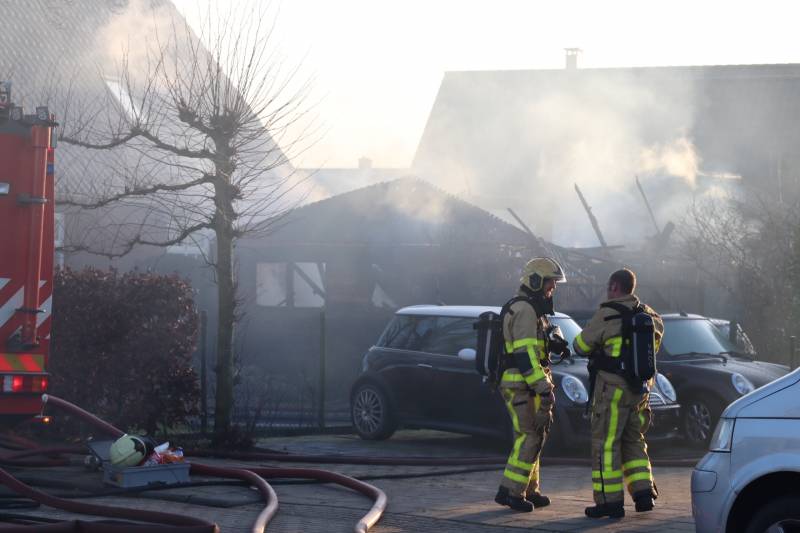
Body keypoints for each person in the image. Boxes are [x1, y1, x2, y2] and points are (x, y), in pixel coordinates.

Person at [573, 268, 664, 519]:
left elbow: (580, 345)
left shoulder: (607, 314)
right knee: (634, 440)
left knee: (605, 444)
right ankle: (644, 494)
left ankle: (609, 502)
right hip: (640, 392)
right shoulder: (650, 315)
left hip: (612, 391)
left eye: (608, 285)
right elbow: (656, 338)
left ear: (615, 286)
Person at [494, 257, 569, 512]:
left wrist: (554, 342)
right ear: (535, 280)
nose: (553, 288)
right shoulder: (525, 310)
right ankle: (514, 493)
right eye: (550, 282)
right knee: (531, 437)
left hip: (524, 384)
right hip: (522, 385)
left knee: (530, 437)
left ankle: (526, 489)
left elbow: (535, 347)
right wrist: (543, 387)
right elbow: (525, 355)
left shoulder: (529, 308)